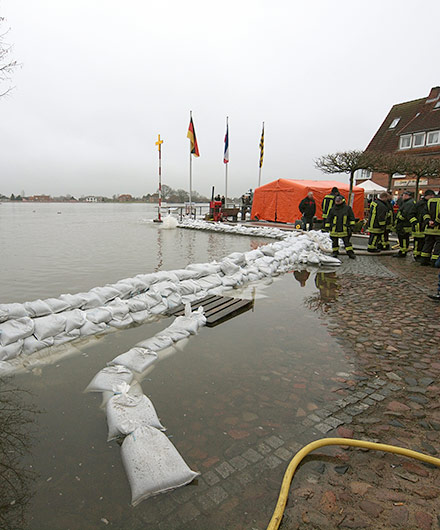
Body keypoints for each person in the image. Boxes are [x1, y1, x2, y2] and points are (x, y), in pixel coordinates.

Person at [410, 189, 435, 261]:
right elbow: (411, 214)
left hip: (425, 226)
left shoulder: (427, 203)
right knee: (418, 242)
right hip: (419, 226)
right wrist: (415, 222)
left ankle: (422, 256)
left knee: (424, 242)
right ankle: (417, 255)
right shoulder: (421, 204)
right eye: (432, 196)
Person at [420, 192, 440, 266]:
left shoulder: (430, 201)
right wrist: (436, 222)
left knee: (427, 244)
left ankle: (424, 260)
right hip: (438, 229)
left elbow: (424, 213)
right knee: (438, 246)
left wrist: (428, 221)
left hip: (429, 228)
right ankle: (435, 261)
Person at [394, 191, 415, 258]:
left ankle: (403, 252)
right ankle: (402, 250)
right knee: (404, 238)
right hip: (405, 224)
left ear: (408, 195)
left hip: (404, 224)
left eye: (404, 195)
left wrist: (398, 219)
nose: (402, 196)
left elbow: (405, 214)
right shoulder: (408, 202)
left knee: (403, 238)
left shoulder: (409, 203)